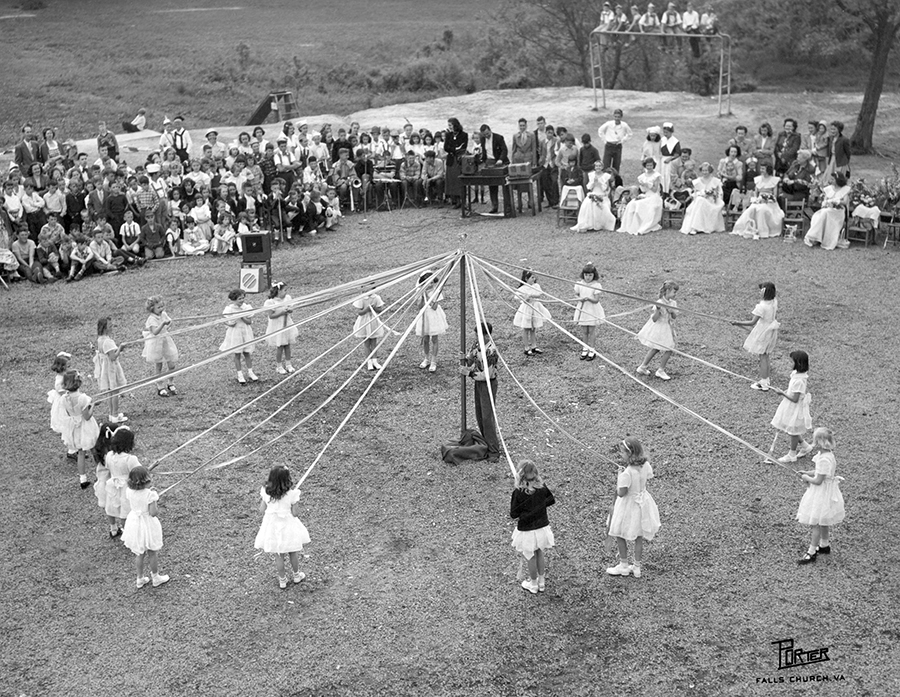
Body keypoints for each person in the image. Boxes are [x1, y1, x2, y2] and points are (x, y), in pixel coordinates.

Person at [606, 437, 661, 579]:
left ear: (630, 454)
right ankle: (637, 567)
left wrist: (620, 477)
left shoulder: (627, 473)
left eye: (623, 453)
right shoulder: (645, 465)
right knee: (638, 536)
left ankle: (623, 565)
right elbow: (647, 477)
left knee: (619, 532)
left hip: (628, 505)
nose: (621, 455)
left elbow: (621, 493)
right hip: (642, 503)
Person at [254, 465, 311, 589]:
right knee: (292, 552)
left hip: (272, 526)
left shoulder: (266, 492)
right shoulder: (291, 494)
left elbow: (261, 509)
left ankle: (282, 580)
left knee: (278, 554)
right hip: (288, 526)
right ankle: (296, 575)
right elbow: (295, 513)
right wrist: (293, 503)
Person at [795, 427, 845, 565]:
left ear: (818, 442)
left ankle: (811, 552)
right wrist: (807, 472)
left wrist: (806, 478)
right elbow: (819, 472)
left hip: (821, 492)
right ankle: (824, 545)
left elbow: (818, 480)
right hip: (827, 491)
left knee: (815, 522)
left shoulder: (824, 459)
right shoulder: (828, 455)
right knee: (823, 519)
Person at [510, 460, 555, 594]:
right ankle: (542, 582)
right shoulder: (542, 487)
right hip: (541, 526)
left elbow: (513, 513)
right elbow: (551, 499)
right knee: (539, 552)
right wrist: (539, 506)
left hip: (527, 529)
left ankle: (533, 583)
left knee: (530, 555)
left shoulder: (518, 492)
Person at [121, 466, 169, 589]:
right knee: (152, 551)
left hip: (134, 522)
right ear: (145, 481)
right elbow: (153, 513)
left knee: (139, 553)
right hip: (146, 523)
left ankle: (140, 578)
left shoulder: (129, 491)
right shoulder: (150, 495)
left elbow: (137, 498)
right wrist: (154, 498)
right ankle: (155, 577)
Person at [461, 321, 500, 461]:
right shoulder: (477, 345)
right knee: (479, 413)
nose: (477, 337)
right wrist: (465, 359)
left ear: (486, 336)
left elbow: (487, 375)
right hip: (478, 383)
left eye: (479, 335)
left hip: (488, 384)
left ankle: (494, 450)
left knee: (487, 416)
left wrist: (469, 374)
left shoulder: (491, 351)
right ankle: (485, 444)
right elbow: (471, 360)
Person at [56, 370, 100, 489]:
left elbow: (68, 414)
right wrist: (93, 406)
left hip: (75, 429)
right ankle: (100, 475)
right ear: (79, 383)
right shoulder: (84, 398)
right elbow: (87, 416)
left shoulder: (64, 398)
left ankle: (83, 479)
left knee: (80, 452)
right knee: (94, 449)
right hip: (86, 428)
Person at [731, 282, 778, 391]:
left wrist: (738, 322)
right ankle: (766, 380)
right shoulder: (773, 302)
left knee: (762, 357)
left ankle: (763, 383)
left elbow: (752, 322)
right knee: (766, 356)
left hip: (763, 332)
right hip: (770, 330)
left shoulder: (762, 307)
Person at [97, 426, 141, 539]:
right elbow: (138, 472)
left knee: (111, 506)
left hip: (112, 484)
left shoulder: (109, 456)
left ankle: (113, 529)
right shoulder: (130, 459)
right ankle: (127, 534)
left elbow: (107, 467)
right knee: (125, 510)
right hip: (126, 487)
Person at [770, 350, 813, 464]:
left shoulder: (799, 380)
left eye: (791, 361)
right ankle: (805, 446)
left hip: (794, 408)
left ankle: (792, 454)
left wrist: (783, 394)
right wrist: (786, 391)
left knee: (792, 430)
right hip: (790, 406)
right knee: (791, 428)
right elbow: (794, 392)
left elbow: (795, 399)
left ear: (797, 363)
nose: (789, 363)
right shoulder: (796, 375)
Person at [635, 280, 679, 381]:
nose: (675, 294)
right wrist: (658, 310)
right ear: (667, 291)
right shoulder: (659, 303)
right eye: (674, 292)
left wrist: (672, 311)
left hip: (668, 327)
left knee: (664, 348)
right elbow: (654, 319)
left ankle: (644, 367)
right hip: (659, 328)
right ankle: (659, 370)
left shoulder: (673, 303)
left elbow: (674, 317)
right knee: (664, 348)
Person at [730, 164, 783, 239]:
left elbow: (774, 195)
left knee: (762, 210)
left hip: (770, 201)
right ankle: (749, 228)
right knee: (751, 209)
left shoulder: (774, 180)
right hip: (759, 200)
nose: (761, 170)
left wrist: (768, 199)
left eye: (763, 168)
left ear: (768, 170)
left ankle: (763, 232)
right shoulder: (758, 179)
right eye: (761, 168)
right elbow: (756, 193)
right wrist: (756, 199)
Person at [142, 296, 179, 397]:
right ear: (152, 309)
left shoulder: (163, 314)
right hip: (156, 344)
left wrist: (169, 323)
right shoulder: (151, 319)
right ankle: (160, 386)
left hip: (166, 341)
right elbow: (155, 332)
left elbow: (168, 323)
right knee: (159, 366)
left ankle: (170, 383)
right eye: (159, 307)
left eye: (162, 306)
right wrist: (163, 324)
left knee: (172, 364)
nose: (161, 309)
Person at [804, 173, 851, 250]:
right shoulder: (829, 189)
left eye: (833, 179)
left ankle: (821, 238)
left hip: (838, 212)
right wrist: (825, 203)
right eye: (831, 179)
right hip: (828, 210)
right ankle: (815, 236)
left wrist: (836, 201)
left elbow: (845, 202)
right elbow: (825, 200)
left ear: (838, 180)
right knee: (817, 215)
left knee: (825, 213)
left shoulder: (844, 189)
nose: (831, 181)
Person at [94, 316, 128, 423]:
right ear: (105, 328)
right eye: (110, 326)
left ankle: (112, 414)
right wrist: (120, 348)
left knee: (110, 391)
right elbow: (113, 357)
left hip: (105, 367)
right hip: (111, 369)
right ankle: (115, 414)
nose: (112, 327)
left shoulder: (100, 339)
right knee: (114, 391)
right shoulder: (108, 341)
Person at [221, 289, 258, 384]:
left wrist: (242, 316)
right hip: (235, 333)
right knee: (237, 353)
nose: (242, 300)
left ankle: (250, 372)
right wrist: (230, 323)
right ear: (233, 300)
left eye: (243, 298)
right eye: (239, 299)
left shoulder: (247, 308)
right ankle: (240, 374)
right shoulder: (229, 309)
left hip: (245, 331)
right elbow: (225, 321)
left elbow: (249, 322)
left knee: (247, 352)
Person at [414, 271, 448, 373]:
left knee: (434, 339)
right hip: (424, 315)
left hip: (433, 316)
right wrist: (423, 296)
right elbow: (419, 307)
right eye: (428, 282)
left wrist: (428, 297)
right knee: (425, 339)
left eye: (432, 282)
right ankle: (426, 358)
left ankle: (433, 361)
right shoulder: (420, 291)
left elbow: (434, 307)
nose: (431, 284)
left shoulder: (436, 291)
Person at [619, 158, 663, 235]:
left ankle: (643, 226)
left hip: (654, 196)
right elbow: (643, 190)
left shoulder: (656, 176)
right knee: (632, 203)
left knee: (639, 204)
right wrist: (643, 186)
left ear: (653, 166)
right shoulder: (642, 176)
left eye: (651, 165)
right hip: (646, 195)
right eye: (647, 165)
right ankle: (631, 225)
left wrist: (647, 185)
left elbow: (655, 190)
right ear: (645, 166)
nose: (649, 167)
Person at [513, 270, 551, 356]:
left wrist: (530, 295)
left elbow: (539, 294)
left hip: (535, 308)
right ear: (526, 278)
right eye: (532, 277)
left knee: (533, 328)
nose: (534, 279)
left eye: (534, 277)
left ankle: (534, 346)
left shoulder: (536, 286)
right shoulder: (522, 288)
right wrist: (525, 298)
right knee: (526, 329)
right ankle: (526, 348)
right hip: (527, 309)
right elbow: (517, 297)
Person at [679, 162, 725, 234]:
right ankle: (694, 227)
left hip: (711, 202)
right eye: (703, 170)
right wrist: (701, 194)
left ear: (710, 171)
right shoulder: (697, 181)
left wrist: (712, 195)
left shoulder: (715, 181)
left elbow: (720, 194)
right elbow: (694, 193)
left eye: (706, 170)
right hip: (699, 201)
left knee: (700, 201)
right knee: (699, 200)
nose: (704, 172)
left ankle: (695, 228)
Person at [571, 263, 605, 361]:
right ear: (583, 274)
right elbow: (576, 295)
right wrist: (579, 298)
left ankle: (592, 349)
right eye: (586, 275)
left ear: (594, 275)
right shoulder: (579, 284)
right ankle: (585, 348)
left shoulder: (596, 285)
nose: (588, 277)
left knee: (591, 330)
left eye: (590, 275)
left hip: (592, 310)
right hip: (582, 310)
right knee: (584, 330)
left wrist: (589, 299)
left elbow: (596, 300)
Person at [264, 281, 299, 374]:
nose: (286, 292)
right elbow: (271, 316)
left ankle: (288, 364)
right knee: (280, 346)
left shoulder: (287, 298)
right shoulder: (270, 302)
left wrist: (290, 310)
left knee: (287, 345)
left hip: (287, 324)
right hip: (277, 326)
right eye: (284, 290)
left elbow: (290, 310)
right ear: (278, 291)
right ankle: (279, 366)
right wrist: (282, 312)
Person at [571, 161, 616, 232]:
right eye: (596, 166)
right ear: (594, 167)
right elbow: (589, 188)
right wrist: (593, 183)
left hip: (602, 195)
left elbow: (606, 188)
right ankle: (588, 223)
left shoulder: (605, 176)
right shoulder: (591, 175)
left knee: (598, 205)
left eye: (599, 166)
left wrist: (599, 182)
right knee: (587, 203)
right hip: (593, 193)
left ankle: (599, 224)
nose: (598, 167)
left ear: (602, 167)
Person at [476, 124, 510, 214]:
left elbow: (504, 150)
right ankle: (494, 206)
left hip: (500, 161)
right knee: (492, 185)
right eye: (484, 135)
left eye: (487, 133)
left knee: (505, 184)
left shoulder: (499, 138)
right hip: (489, 162)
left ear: (490, 130)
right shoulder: (483, 139)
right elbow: (484, 152)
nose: (486, 136)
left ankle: (508, 207)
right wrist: (480, 160)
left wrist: (500, 160)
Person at [353, 288, 388, 371]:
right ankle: (369, 362)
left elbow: (380, 310)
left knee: (374, 342)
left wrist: (374, 308)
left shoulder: (376, 298)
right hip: (364, 322)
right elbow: (359, 312)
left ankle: (375, 361)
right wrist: (366, 309)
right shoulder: (361, 298)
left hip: (373, 321)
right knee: (366, 342)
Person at [658, 122, 681, 193]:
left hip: (670, 160)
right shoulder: (662, 140)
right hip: (662, 159)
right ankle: (661, 190)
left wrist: (670, 159)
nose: (665, 134)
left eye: (667, 132)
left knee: (667, 176)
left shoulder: (675, 141)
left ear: (671, 132)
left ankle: (667, 191)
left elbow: (677, 153)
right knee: (661, 174)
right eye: (664, 132)